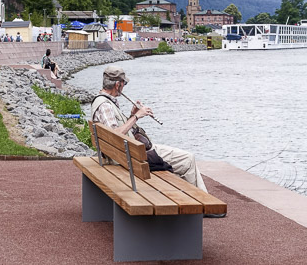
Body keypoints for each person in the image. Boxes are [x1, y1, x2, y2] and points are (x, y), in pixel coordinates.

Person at [91, 66, 225, 219]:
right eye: (124, 84)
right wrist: (137, 117)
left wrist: (131, 115)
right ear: (117, 85)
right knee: (188, 159)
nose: (123, 87)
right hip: (131, 158)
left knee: (184, 161)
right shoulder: (105, 106)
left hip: (128, 154)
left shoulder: (105, 102)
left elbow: (118, 131)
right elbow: (113, 136)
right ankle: (204, 205)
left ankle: (195, 201)